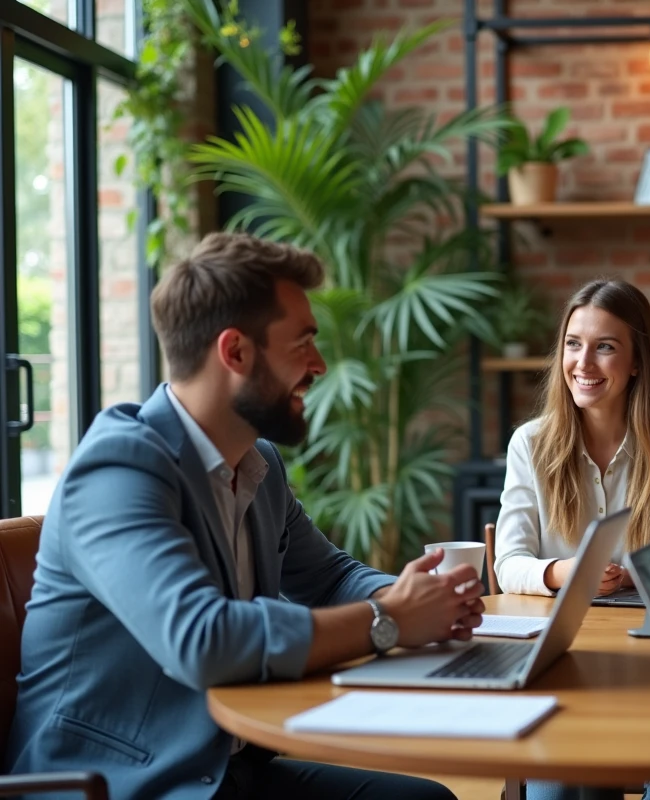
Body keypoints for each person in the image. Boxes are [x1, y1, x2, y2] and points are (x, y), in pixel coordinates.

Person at [4, 232, 485, 800]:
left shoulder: (257, 463)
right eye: (302, 343)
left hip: (227, 771)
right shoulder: (117, 469)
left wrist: (427, 598)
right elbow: (204, 640)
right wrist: (389, 619)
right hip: (119, 784)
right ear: (235, 352)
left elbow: (330, 577)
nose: (320, 365)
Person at [494, 279, 650, 800]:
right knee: (556, 789)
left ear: (637, 362)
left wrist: (643, 571)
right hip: (566, 657)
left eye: (605, 346)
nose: (584, 362)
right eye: (573, 344)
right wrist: (566, 573)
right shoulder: (530, 443)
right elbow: (508, 562)